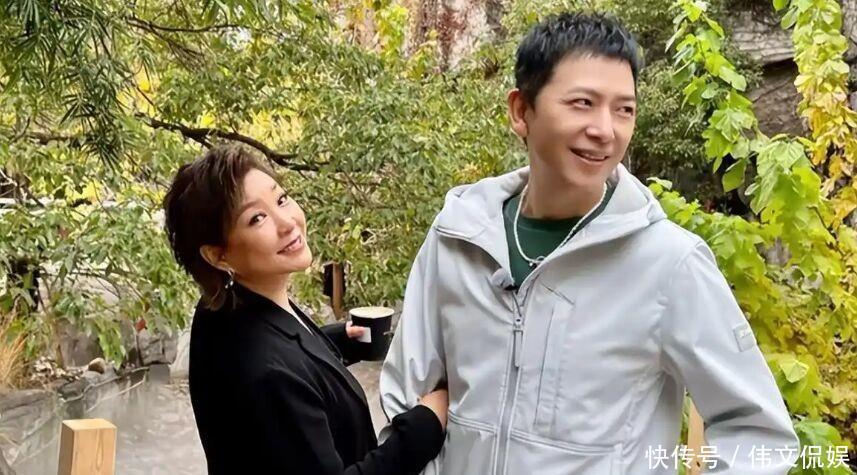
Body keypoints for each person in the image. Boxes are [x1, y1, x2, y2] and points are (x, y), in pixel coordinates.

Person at [379, 12, 799, 475]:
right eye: (583, 103)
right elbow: (405, 393)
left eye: (624, 109)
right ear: (521, 111)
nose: (605, 129)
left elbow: (758, 433)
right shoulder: (458, 237)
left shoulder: (669, 262)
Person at [163, 145, 448, 474]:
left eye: (281, 199)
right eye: (257, 218)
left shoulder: (224, 308)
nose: (287, 223)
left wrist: (337, 341)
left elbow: (283, 348)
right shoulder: (264, 373)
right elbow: (274, 374)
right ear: (218, 255)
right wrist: (426, 423)